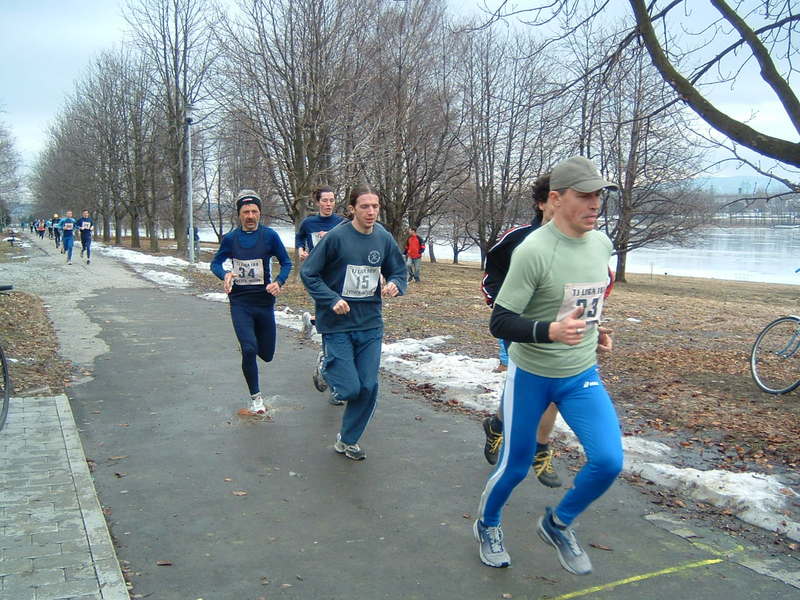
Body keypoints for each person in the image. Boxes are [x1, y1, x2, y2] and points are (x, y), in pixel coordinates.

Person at [473, 156, 621, 576]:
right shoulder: (533, 251)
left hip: (580, 374)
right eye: (585, 195)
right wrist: (550, 331)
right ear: (556, 199)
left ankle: (557, 524)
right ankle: (488, 524)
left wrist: (595, 329)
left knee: (608, 460)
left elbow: (580, 300)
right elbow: (500, 321)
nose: (595, 204)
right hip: (532, 375)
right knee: (515, 466)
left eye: (599, 195)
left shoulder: (601, 244)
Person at [300, 184, 407, 460]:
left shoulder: (383, 237)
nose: (371, 211)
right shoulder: (336, 237)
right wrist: (331, 299)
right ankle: (326, 367)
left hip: (370, 323)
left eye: (375, 206)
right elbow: (309, 273)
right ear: (352, 209)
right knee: (349, 389)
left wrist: (395, 283)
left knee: (368, 387)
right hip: (338, 323)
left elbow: (398, 270)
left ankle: (348, 440)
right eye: (364, 206)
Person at [480, 175, 563, 489]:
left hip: (558, 327)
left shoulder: (578, 240)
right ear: (541, 203)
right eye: (554, 199)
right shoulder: (518, 238)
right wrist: (499, 302)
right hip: (518, 325)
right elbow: (492, 271)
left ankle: (529, 442)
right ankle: (511, 443)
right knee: (524, 383)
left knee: (551, 390)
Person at [210, 190, 292, 415]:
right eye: (246, 212)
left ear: (260, 213)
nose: (250, 216)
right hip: (240, 302)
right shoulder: (231, 239)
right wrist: (224, 274)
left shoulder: (270, 236)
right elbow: (215, 263)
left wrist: (279, 282)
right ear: (239, 214)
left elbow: (286, 262)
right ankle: (256, 398)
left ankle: (249, 345)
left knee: (266, 354)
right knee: (249, 349)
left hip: (264, 302)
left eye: (254, 211)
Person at [295, 186, 346, 339]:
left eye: (332, 200)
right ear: (318, 202)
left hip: (336, 269)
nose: (328, 204)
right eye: (324, 200)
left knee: (333, 306)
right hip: (316, 270)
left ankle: (311, 322)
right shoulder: (309, 223)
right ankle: (326, 341)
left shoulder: (342, 223)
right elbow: (300, 237)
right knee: (327, 305)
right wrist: (300, 250)